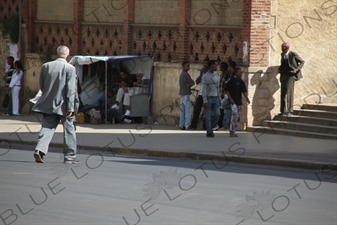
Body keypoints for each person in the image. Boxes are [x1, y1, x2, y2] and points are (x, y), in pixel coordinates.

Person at [32, 45, 79, 164]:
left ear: (57, 53)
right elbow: (70, 90)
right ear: (67, 55)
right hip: (64, 105)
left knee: (47, 128)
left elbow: (42, 86)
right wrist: (71, 108)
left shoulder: (46, 66)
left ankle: (39, 150)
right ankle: (69, 156)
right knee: (69, 130)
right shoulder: (70, 68)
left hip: (48, 103)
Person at [278, 42, 304, 116]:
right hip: (283, 75)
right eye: (282, 47)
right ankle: (282, 110)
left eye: (284, 47)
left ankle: (290, 110)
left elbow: (302, 62)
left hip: (290, 75)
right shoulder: (282, 55)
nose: (282, 48)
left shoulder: (292, 54)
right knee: (283, 93)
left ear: (287, 48)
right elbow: (283, 64)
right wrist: (280, 69)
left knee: (289, 93)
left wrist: (296, 69)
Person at [225, 68, 250, 137]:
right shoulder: (231, 81)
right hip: (233, 101)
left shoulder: (241, 82)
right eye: (239, 72)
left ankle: (234, 129)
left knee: (237, 116)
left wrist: (247, 98)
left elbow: (244, 91)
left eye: (241, 73)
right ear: (236, 73)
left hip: (239, 101)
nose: (241, 74)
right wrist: (230, 99)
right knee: (234, 114)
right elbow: (227, 90)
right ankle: (231, 129)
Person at [201, 60, 220, 137]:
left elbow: (218, 88)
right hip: (208, 98)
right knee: (208, 116)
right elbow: (204, 89)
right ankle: (209, 131)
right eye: (215, 65)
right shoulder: (205, 76)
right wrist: (204, 100)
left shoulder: (216, 75)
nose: (216, 67)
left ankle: (210, 127)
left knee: (217, 114)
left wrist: (219, 98)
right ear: (211, 66)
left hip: (215, 97)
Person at [189, 59, 209, 130]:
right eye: (204, 63)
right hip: (201, 94)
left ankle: (206, 126)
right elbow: (197, 82)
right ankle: (194, 125)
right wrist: (201, 74)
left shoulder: (210, 74)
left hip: (208, 95)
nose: (205, 65)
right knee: (197, 109)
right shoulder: (200, 72)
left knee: (207, 111)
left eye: (206, 63)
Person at [178, 61, 195, 130]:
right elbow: (192, 82)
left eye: (189, 66)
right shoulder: (185, 74)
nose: (189, 67)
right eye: (187, 66)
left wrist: (189, 84)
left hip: (182, 93)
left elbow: (190, 83)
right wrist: (190, 84)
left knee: (182, 110)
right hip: (186, 94)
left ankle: (181, 124)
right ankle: (187, 124)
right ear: (183, 67)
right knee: (187, 110)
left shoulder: (182, 74)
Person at [217, 62, 229, 129]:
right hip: (220, 93)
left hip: (224, 94)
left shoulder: (226, 74)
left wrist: (224, 94)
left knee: (223, 109)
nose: (220, 68)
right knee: (220, 109)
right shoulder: (221, 74)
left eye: (221, 66)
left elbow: (225, 85)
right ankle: (220, 124)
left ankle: (222, 124)